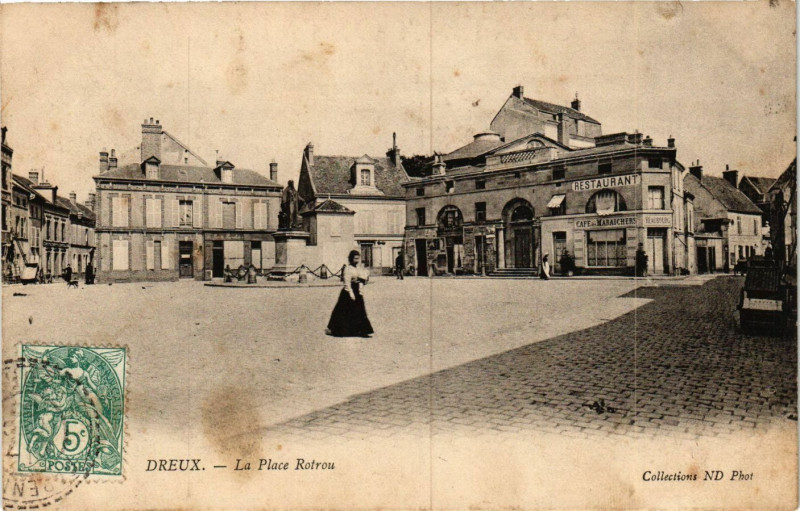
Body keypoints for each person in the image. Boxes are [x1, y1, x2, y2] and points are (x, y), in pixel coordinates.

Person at [326, 250, 374, 338]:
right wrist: (351, 294)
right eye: (355, 258)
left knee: (360, 311)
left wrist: (364, 280)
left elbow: (362, 279)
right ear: (351, 259)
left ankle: (362, 331)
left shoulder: (358, 268)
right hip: (348, 292)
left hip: (357, 290)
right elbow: (347, 283)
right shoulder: (348, 269)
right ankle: (340, 330)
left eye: (358, 258)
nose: (357, 260)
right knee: (344, 312)